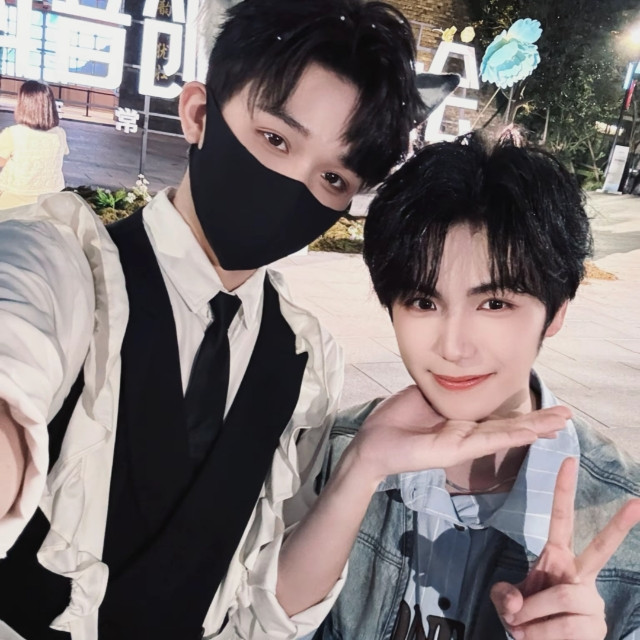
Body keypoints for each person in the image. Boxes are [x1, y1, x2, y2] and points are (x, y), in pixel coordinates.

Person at [0, 1, 467, 639]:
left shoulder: (306, 357)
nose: (292, 183)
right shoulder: (63, 263)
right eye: (275, 139)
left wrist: (363, 467)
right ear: (198, 114)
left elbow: (264, 598)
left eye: (333, 178)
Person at [274, 133, 640, 640]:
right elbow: (262, 623)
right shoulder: (331, 448)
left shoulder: (621, 515)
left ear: (555, 313)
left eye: (494, 304)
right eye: (424, 302)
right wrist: (360, 468)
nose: (452, 347)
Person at [0, 80, 69, 209]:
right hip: (50, 201)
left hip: (14, 200)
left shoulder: (13, 133)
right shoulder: (60, 134)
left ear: (23, 105)